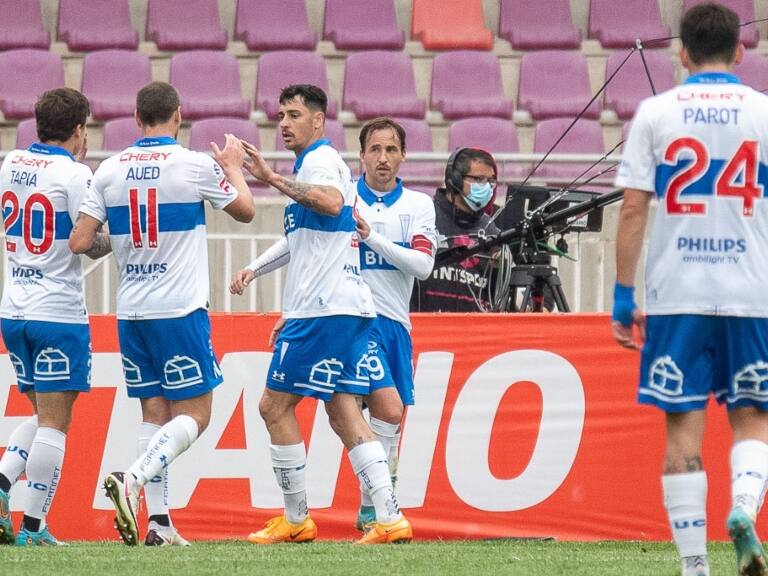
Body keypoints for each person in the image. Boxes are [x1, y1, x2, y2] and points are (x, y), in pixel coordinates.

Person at [612, 4, 768, 575]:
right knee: (753, 418)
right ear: (740, 51)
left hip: (678, 293)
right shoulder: (764, 113)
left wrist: (623, 296)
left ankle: (695, 567)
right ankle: (744, 507)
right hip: (752, 291)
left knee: (682, 436)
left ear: (682, 53)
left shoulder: (657, 113)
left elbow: (633, 210)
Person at [68, 81, 255, 547]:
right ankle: (131, 480)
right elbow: (247, 212)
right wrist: (233, 168)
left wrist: (124, 241)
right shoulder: (194, 165)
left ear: (136, 119)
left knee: (154, 412)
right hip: (179, 309)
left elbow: (81, 241)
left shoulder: (109, 170)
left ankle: (160, 524)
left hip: (132, 312)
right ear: (178, 115)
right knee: (196, 414)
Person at [231, 117, 436, 531]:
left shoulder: (417, 205)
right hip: (351, 316)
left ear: (403, 156)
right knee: (354, 408)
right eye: (375, 150)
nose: (382, 158)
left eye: (391, 150)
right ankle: (379, 513)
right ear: (361, 156)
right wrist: (258, 271)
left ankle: (367, 511)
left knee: (379, 411)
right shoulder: (344, 193)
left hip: (388, 321)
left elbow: (424, 265)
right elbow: (302, 246)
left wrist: (372, 238)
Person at [0, 88, 111, 546]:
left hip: (13, 310)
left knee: (43, 412)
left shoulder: (10, 162)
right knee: (55, 422)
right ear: (79, 130)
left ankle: (3, 483)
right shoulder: (75, 174)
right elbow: (85, 242)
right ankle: (34, 526)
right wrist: (119, 241)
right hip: (57, 313)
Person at [410, 148, 499, 312]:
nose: (487, 187)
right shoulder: (425, 215)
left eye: (490, 181)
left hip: (474, 326)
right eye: (479, 179)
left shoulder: (491, 228)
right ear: (455, 180)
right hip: (423, 322)